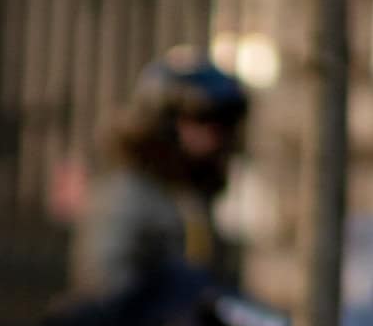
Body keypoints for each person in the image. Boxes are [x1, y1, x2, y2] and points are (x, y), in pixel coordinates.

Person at [72, 49, 249, 298]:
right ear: (165, 122)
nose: (215, 135)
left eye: (224, 123)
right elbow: (106, 286)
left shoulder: (192, 196)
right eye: (202, 119)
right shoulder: (127, 194)